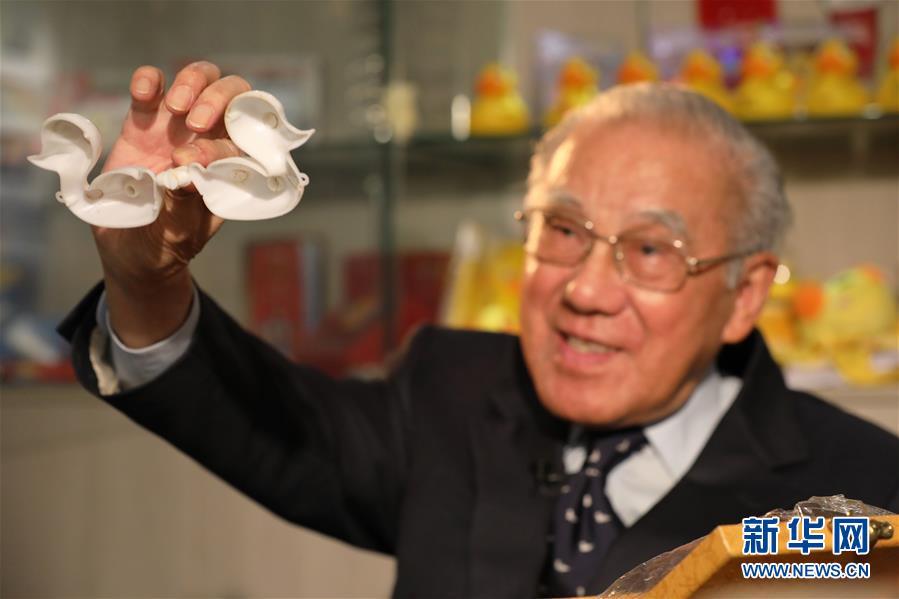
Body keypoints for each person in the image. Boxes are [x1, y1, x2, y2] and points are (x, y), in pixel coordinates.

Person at [60, 61, 899, 598]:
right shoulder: (454, 391)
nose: (585, 289)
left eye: (650, 250)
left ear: (745, 294)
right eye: (561, 230)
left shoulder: (863, 494)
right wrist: (146, 278)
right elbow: (267, 423)